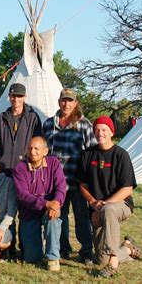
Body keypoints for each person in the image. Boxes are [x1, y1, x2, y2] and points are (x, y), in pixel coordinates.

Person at [78, 116, 142, 278]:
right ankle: (128, 249)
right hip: (97, 208)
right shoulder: (87, 155)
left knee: (109, 209)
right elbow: (82, 186)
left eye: (104, 130)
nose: (100, 133)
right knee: (101, 260)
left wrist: (105, 204)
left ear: (112, 132)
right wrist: (93, 202)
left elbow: (127, 189)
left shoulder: (121, 155)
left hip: (121, 205)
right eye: (97, 130)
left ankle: (113, 264)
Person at [43, 88, 97, 264]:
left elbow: (92, 152)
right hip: (57, 181)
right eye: (63, 100)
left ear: (75, 103)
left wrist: (89, 179)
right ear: (59, 102)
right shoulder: (49, 124)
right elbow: (43, 152)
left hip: (78, 180)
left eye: (70, 101)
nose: (66, 104)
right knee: (60, 217)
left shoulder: (84, 125)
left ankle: (86, 250)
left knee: (82, 217)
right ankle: (63, 248)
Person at [0, 82, 42, 257]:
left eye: (19, 96)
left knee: (26, 210)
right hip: (5, 170)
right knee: (7, 209)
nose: (16, 99)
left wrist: (33, 163)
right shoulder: (1, 118)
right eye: (13, 96)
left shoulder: (33, 118)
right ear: (9, 97)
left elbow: (38, 144)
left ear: (25, 97)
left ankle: (25, 245)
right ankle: (8, 246)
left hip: (26, 171)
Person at [13, 136, 67, 271]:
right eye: (30, 148)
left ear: (45, 151)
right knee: (31, 258)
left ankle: (53, 258)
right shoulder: (20, 168)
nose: (33, 152)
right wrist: (46, 203)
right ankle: (39, 245)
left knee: (53, 219)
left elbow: (61, 187)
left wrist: (56, 203)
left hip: (49, 209)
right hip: (29, 212)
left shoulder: (54, 163)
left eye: (37, 149)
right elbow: (23, 196)